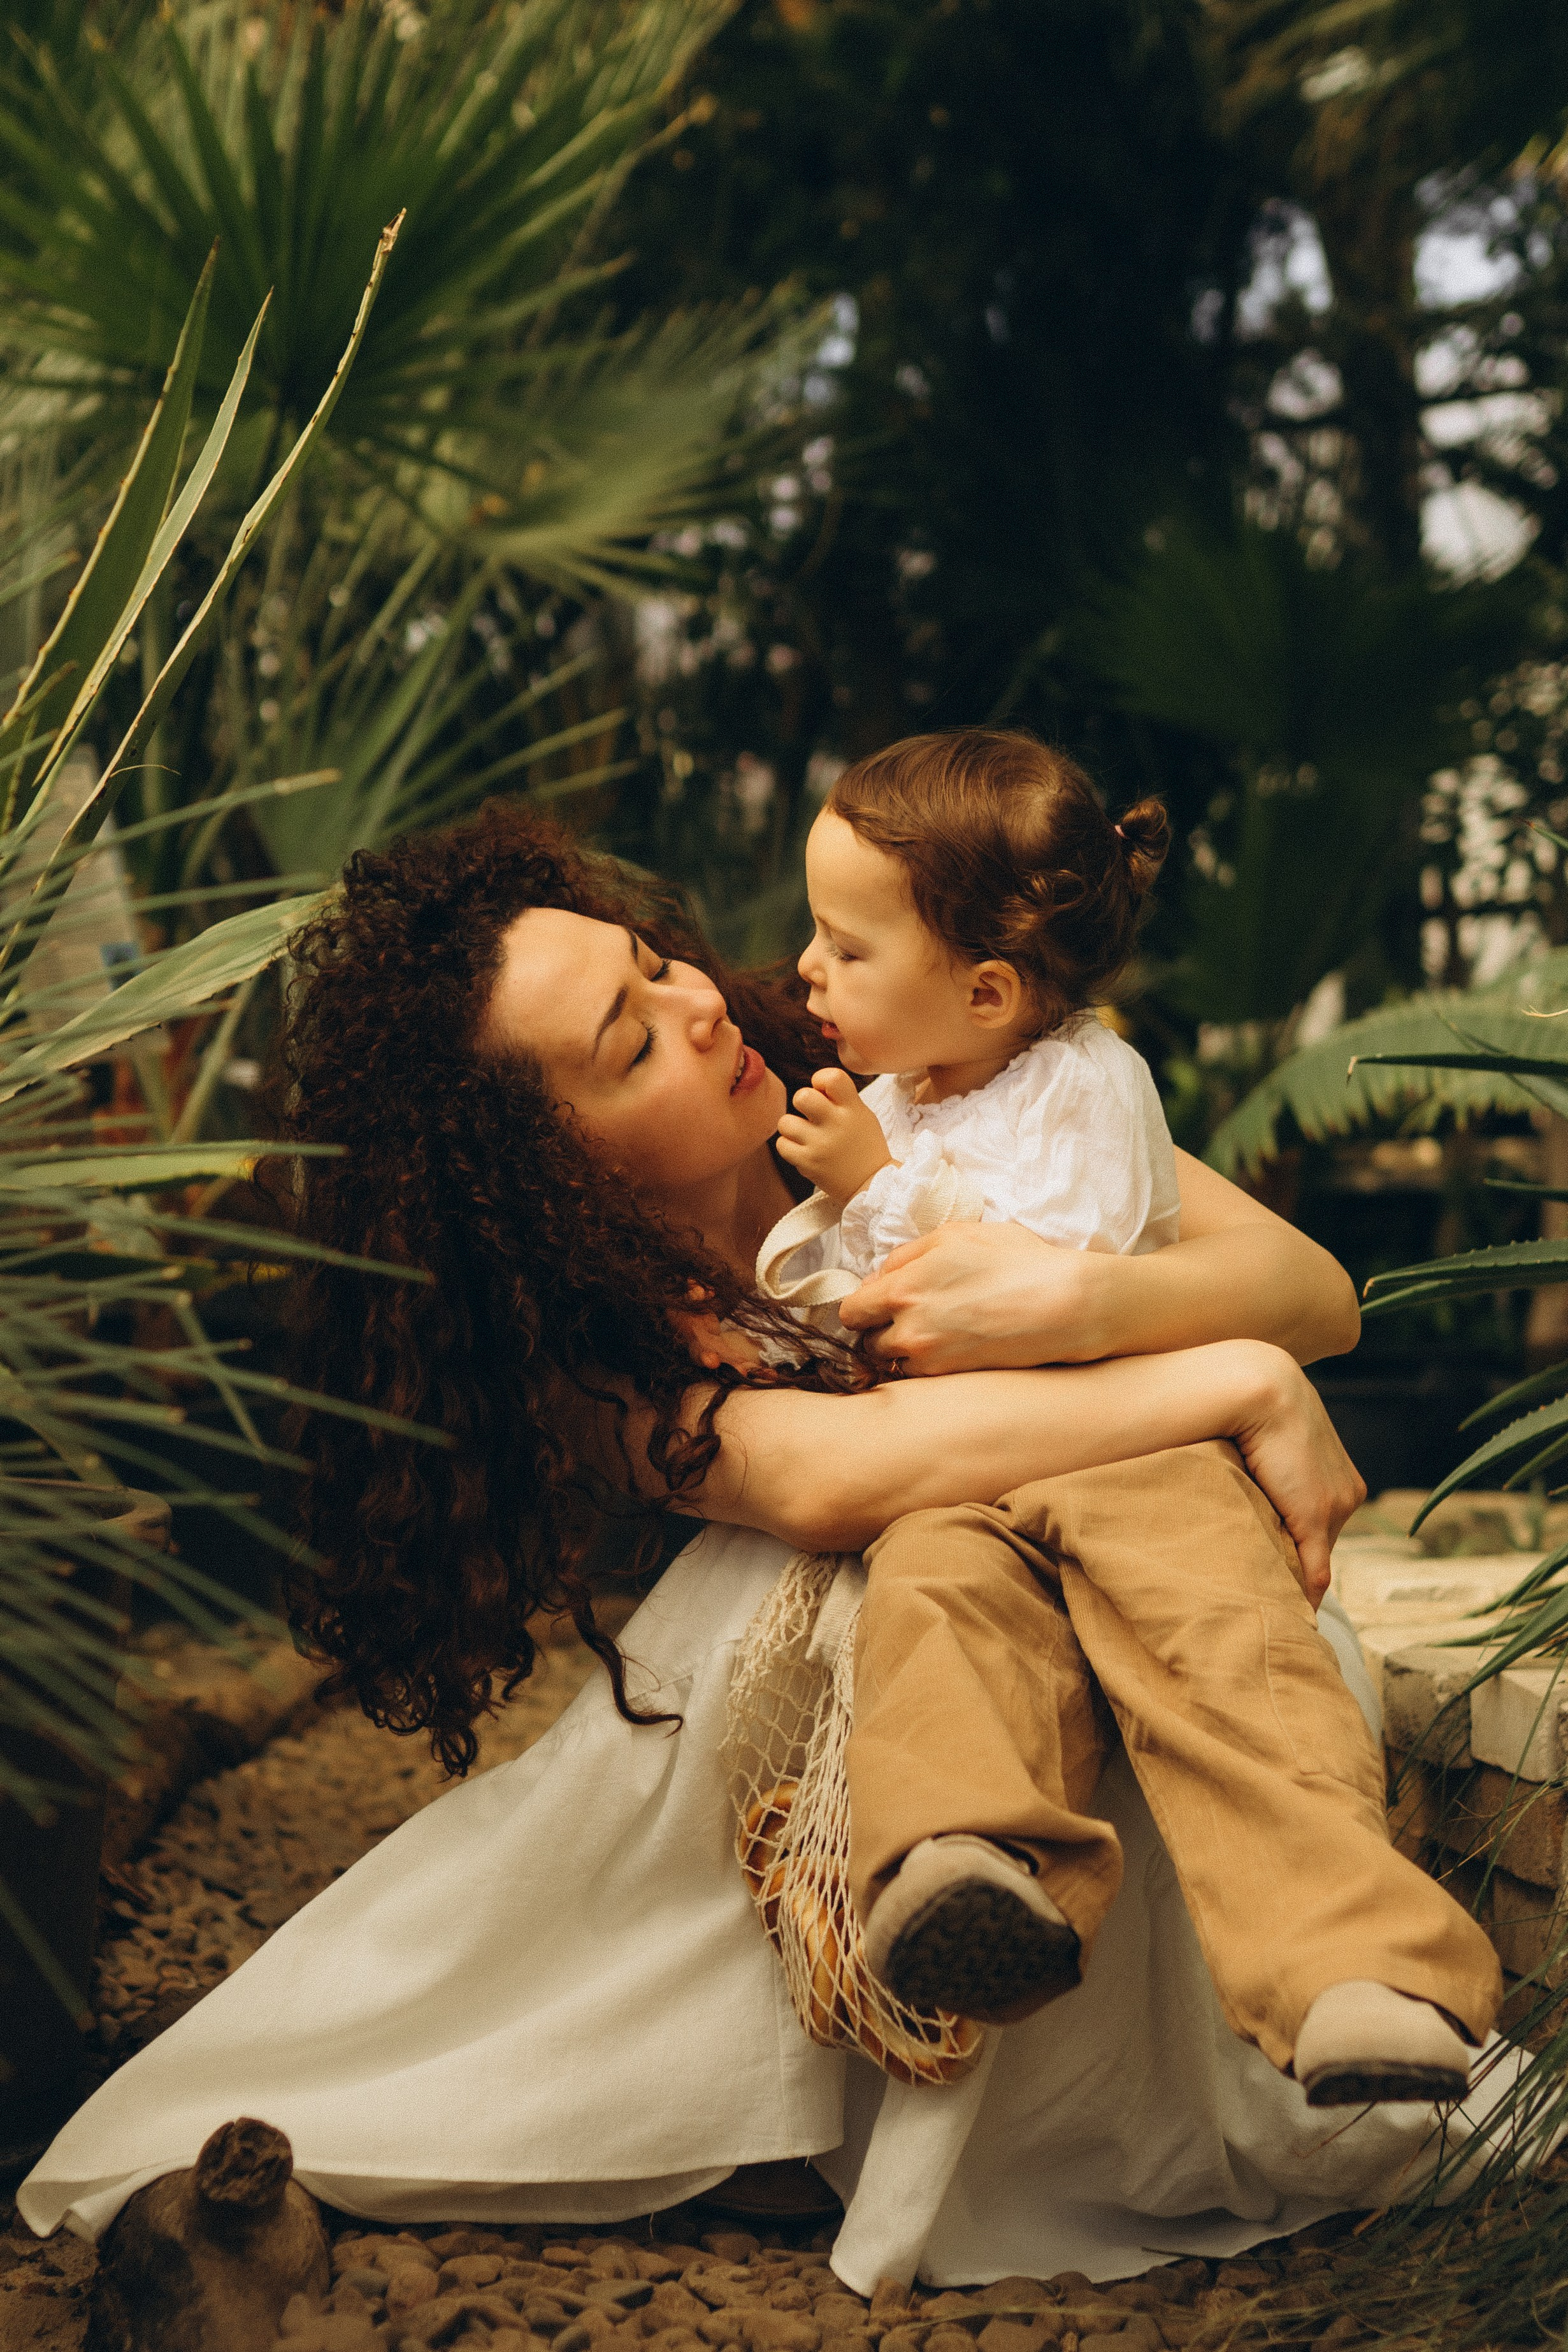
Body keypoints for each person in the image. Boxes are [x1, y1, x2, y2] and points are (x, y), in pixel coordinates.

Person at [16, 804, 1503, 2290]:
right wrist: (1236, 1381)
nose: (699, 1002)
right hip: (842, 1671)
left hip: (1110, 1562)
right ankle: (825, 2043)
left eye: (655, 964)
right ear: (556, 1168)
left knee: (1197, 1608)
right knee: (912, 1586)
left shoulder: (893, 1067)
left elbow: (1310, 1287)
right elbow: (843, 1481)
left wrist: (1074, 1305)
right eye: (630, 1041)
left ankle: (1305, 1992)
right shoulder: (604, 1349)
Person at [751, 731, 1497, 2097]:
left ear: (984, 989)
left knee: (1224, 1644)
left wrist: (877, 1196)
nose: (807, 966)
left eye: (845, 946)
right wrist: (823, 1237)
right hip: (961, 1477)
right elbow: (859, 1299)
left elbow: (1049, 1261)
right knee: (934, 1609)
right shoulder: (891, 1105)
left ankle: (1358, 1967)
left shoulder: (1087, 1083)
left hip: (1132, 1445)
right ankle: (970, 1863)